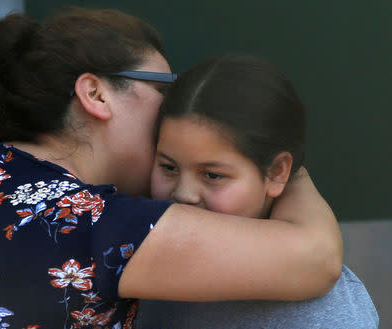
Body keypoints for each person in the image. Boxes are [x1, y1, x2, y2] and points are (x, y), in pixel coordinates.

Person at [0, 9, 342, 329]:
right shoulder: (100, 223)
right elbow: (316, 258)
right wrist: (285, 166)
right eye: (164, 89)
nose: (172, 108)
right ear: (96, 94)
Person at [135, 55, 379, 328]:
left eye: (213, 175)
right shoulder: (136, 257)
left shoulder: (323, 313)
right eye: (168, 167)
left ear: (277, 172)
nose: (183, 193)